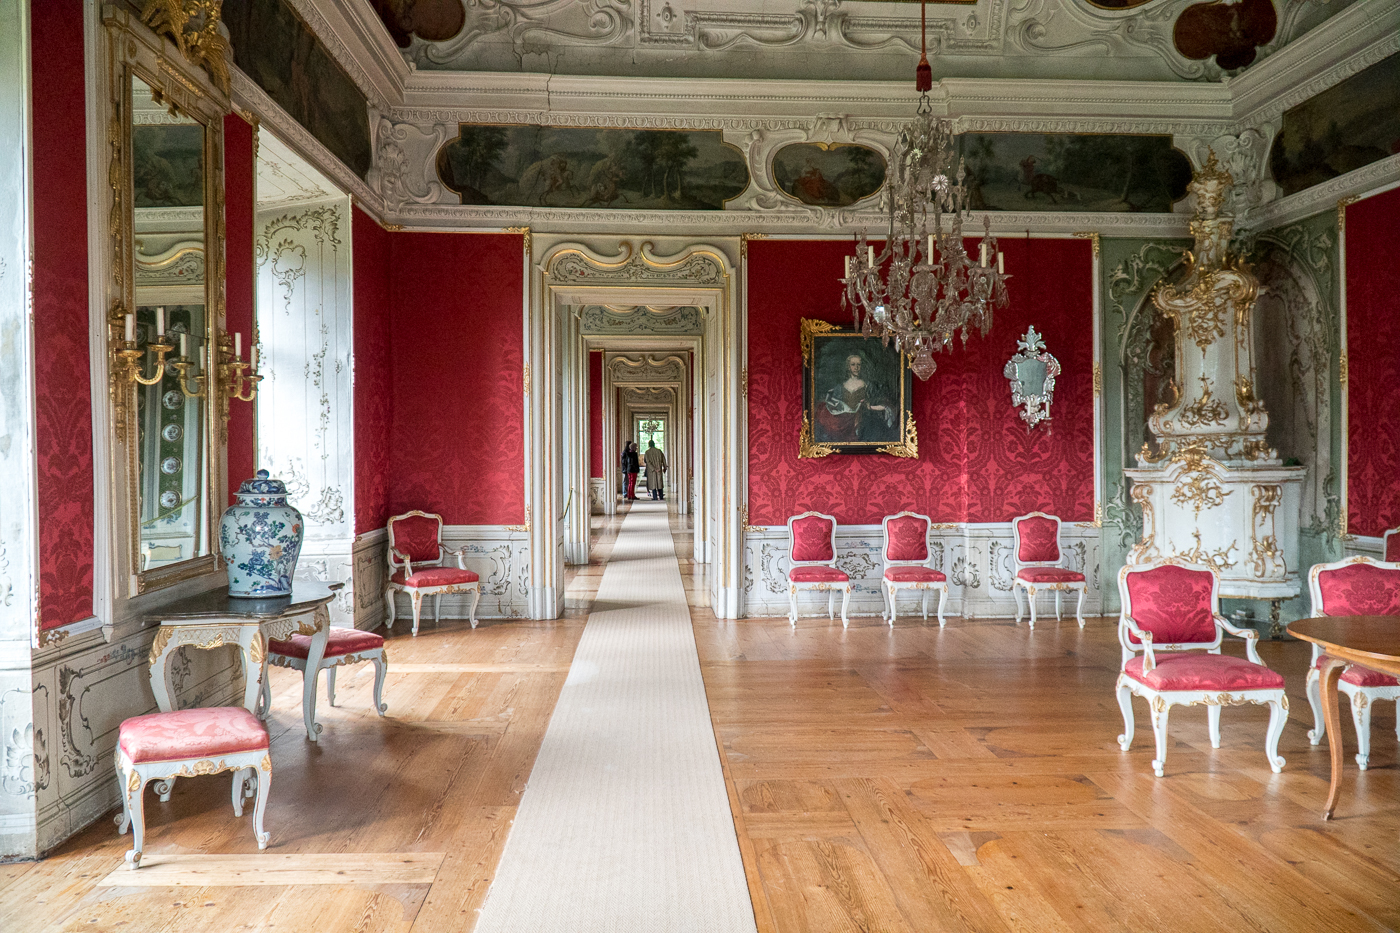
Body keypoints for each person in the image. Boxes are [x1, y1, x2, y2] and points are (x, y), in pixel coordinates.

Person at [816, 351, 897, 443]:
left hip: (864, 422)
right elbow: (833, 406)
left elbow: (884, 405)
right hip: (845, 424)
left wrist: (869, 406)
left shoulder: (868, 385)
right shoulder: (840, 387)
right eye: (853, 364)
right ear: (848, 367)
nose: (856, 367)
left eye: (859, 364)